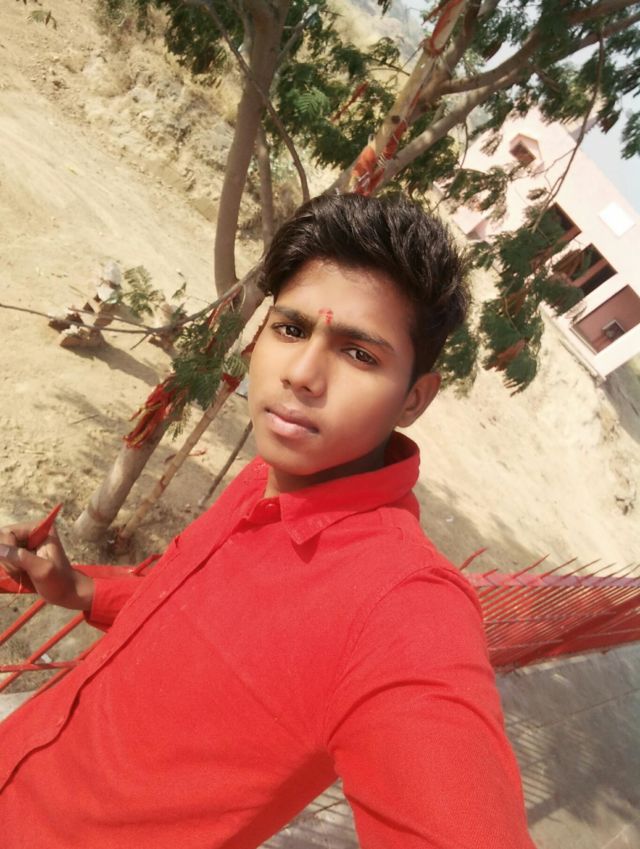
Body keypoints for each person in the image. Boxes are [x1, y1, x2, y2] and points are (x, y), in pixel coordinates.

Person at [0, 193, 535, 848]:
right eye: (291, 330)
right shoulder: (267, 479)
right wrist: (82, 589)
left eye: (360, 355)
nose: (302, 374)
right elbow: (203, 617)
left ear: (414, 399)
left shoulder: (405, 609)